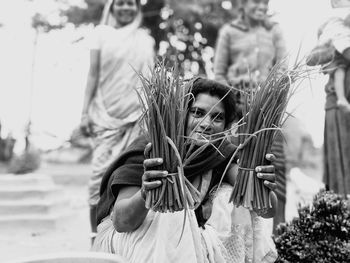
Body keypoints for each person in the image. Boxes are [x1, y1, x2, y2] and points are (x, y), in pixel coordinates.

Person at [92, 78, 278, 263]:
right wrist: (145, 193)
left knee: (230, 197)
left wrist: (260, 183)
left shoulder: (220, 153)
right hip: (131, 241)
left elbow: (265, 211)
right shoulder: (152, 150)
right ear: (181, 114)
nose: (206, 124)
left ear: (226, 126)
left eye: (217, 117)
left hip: (182, 245)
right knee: (174, 213)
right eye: (197, 113)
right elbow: (122, 222)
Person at [79, 0, 155, 242]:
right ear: (111, 7)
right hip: (104, 116)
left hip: (136, 117)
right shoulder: (100, 34)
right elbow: (93, 74)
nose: (126, 8)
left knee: (128, 175)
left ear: (137, 8)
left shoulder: (145, 39)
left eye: (130, 3)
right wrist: (84, 112)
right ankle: (95, 236)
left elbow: (150, 78)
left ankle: (123, 236)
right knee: (97, 179)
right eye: (120, 3)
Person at [213, 0, 287, 233]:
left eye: (265, 2)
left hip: (266, 115)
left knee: (273, 168)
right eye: (256, 2)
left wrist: (268, 97)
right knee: (240, 169)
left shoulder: (274, 30)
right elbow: (219, 75)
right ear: (242, 5)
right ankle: (240, 234)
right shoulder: (229, 32)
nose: (262, 6)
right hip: (239, 114)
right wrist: (233, 100)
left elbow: (283, 69)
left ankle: (277, 236)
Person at [306, 14, 350, 196]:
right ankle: (341, 206)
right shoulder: (338, 36)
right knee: (341, 161)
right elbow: (310, 59)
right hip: (340, 107)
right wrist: (332, 45)